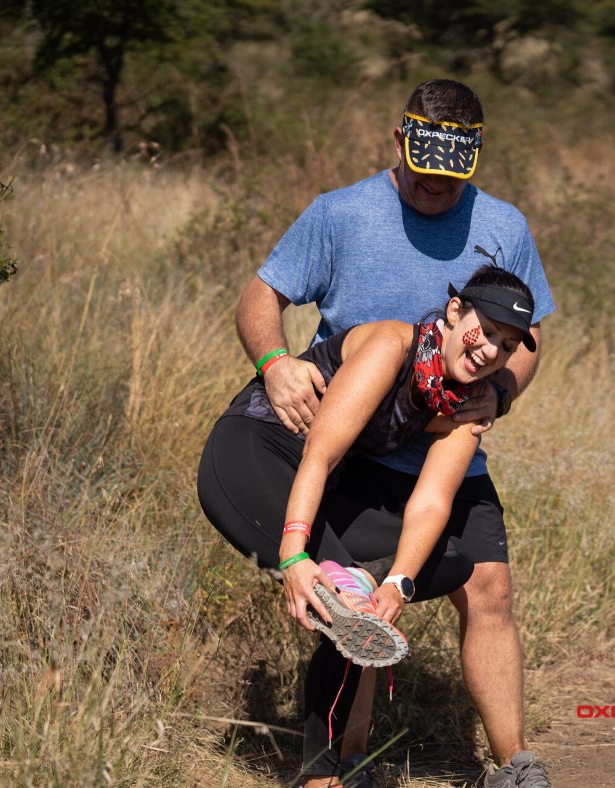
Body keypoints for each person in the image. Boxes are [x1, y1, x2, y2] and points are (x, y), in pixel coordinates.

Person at [233, 79, 555, 788]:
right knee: (356, 598)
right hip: (360, 445)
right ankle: (344, 764)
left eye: (451, 177)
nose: (435, 187)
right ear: (400, 141)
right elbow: (261, 295)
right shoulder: (341, 213)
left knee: (491, 588)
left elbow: (527, 338)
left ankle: (513, 767)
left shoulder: (504, 224)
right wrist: (274, 363)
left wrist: (498, 393)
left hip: (449, 445)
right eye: (424, 170)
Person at [199, 266, 538, 787]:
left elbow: (430, 503)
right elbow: (320, 453)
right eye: (486, 330)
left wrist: (398, 583)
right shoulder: (390, 345)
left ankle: (355, 598)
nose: (492, 350)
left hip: (316, 487)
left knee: (447, 562)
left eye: (508, 344)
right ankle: (324, 778)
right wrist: (294, 557)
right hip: (254, 454)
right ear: (454, 313)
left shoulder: (470, 403)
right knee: (342, 600)